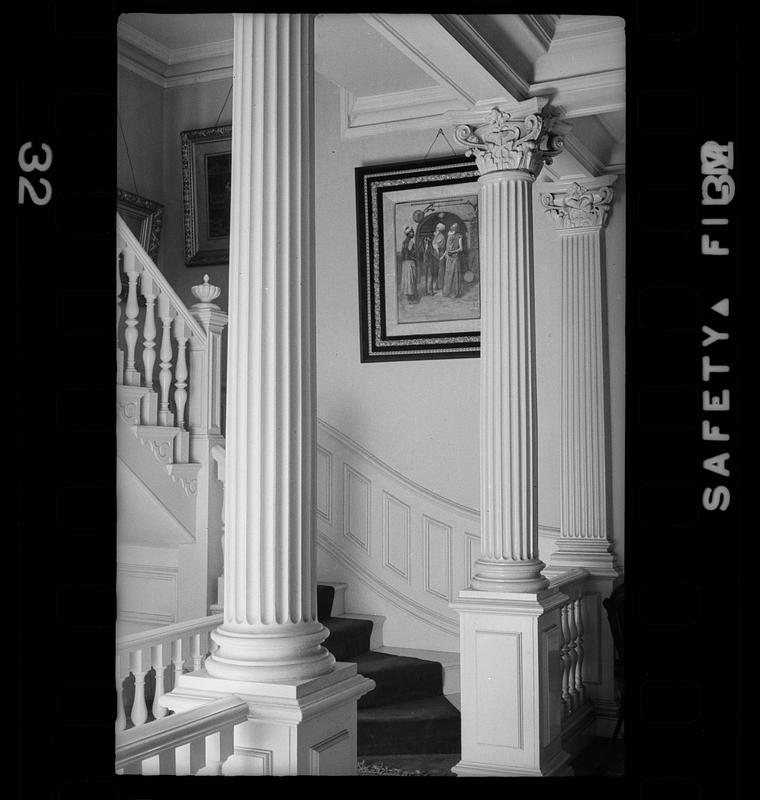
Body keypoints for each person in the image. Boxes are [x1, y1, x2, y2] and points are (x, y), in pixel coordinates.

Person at [442, 222, 464, 298]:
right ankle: (448, 292)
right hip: (449, 258)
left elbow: (461, 248)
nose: (454, 228)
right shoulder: (449, 235)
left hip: (455, 258)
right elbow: (447, 248)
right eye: (453, 226)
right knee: (448, 275)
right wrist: (443, 255)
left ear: (457, 228)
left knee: (454, 275)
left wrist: (453, 252)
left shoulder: (459, 236)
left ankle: (454, 293)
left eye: (455, 227)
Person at [399, 226, 418, 304]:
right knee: (411, 279)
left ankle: (410, 297)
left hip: (405, 263)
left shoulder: (404, 242)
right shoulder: (410, 242)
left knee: (407, 279)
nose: (413, 233)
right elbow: (411, 253)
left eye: (413, 232)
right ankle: (411, 298)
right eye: (411, 232)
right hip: (410, 262)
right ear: (408, 234)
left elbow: (402, 253)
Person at [431, 222, 447, 292]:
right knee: (436, 269)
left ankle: (440, 285)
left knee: (440, 269)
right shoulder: (437, 235)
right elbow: (434, 244)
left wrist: (434, 244)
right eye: (436, 227)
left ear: (440, 229)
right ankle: (436, 285)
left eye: (437, 228)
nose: (436, 229)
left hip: (440, 254)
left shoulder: (441, 236)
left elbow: (436, 245)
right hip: (436, 254)